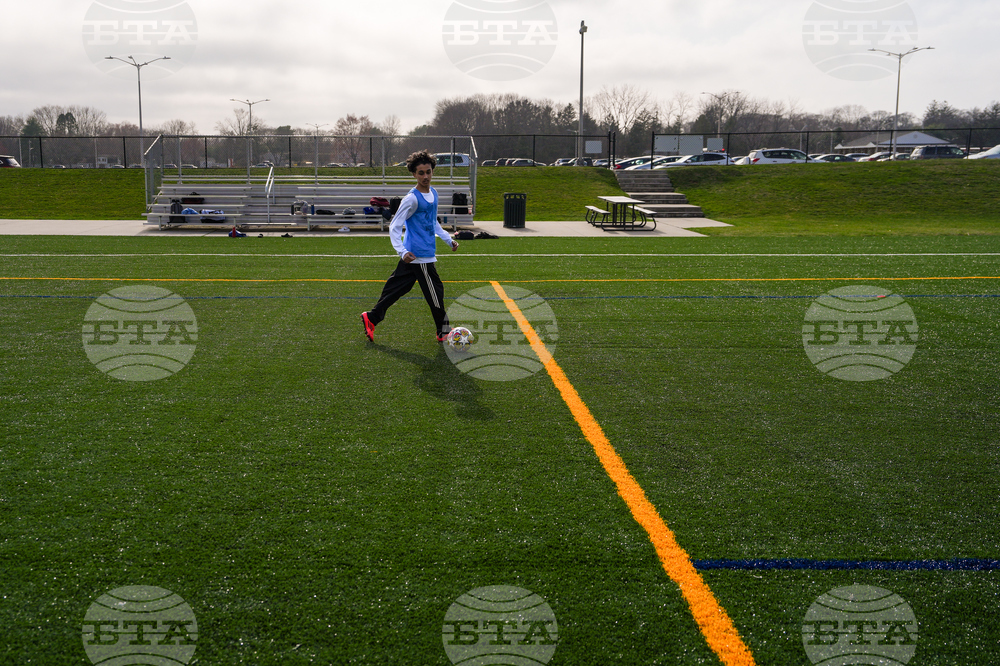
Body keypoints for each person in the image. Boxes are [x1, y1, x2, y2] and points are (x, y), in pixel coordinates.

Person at [361, 150, 459, 342]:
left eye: (428, 172)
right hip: (418, 255)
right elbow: (395, 226)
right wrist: (402, 251)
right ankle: (443, 330)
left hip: (421, 253)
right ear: (414, 174)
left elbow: (432, 222)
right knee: (435, 291)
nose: (425, 176)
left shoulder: (434, 193)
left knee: (397, 288)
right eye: (421, 173)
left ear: (433, 171)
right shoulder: (411, 198)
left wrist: (448, 239)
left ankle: (372, 317)